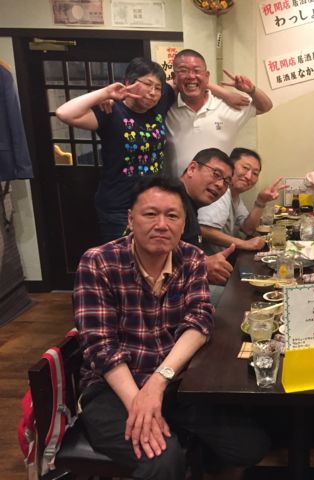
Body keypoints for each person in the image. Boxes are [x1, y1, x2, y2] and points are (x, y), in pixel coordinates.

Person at [73, 176, 269, 480]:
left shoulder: (190, 258)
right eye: (151, 214)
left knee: (249, 445)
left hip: (171, 382)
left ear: (183, 223)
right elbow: (101, 347)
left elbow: (200, 320)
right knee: (163, 461)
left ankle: (192, 450)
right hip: (112, 388)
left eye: (172, 216)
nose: (162, 225)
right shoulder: (98, 262)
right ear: (131, 219)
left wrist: (158, 383)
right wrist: (140, 404)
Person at [55, 58, 175, 242]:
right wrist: (105, 93)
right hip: (119, 208)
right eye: (147, 84)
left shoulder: (159, 106)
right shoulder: (111, 111)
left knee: (154, 255)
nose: (153, 93)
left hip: (154, 204)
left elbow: (181, 80)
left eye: (158, 88)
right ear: (128, 82)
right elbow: (64, 113)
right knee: (122, 258)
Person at [166, 49, 273, 178]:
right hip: (177, 188)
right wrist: (224, 92)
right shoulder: (167, 108)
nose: (191, 76)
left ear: (207, 76)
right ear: (174, 77)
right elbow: (160, 85)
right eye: (183, 70)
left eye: (197, 70)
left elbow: (265, 106)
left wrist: (251, 90)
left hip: (218, 188)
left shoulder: (227, 106)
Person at [198, 147, 286, 253]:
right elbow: (205, 230)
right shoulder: (221, 193)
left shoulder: (235, 196)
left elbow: (248, 229)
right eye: (245, 168)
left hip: (226, 257)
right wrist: (244, 244)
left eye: (255, 173)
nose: (249, 176)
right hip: (206, 260)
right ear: (230, 166)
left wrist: (261, 202)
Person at [178, 147, 237, 285]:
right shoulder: (171, 200)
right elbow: (152, 259)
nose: (220, 184)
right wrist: (202, 266)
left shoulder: (189, 204)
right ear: (192, 169)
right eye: (216, 174)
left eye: (226, 181)